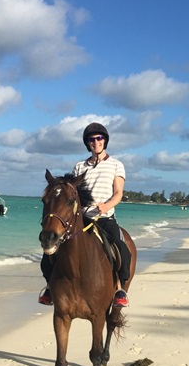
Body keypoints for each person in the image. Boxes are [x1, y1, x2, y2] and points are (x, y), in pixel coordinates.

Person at [39, 122, 132, 308]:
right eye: (91, 139)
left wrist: (106, 206)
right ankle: (50, 288)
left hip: (104, 218)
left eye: (99, 138)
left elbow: (118, 193)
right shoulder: (80, 166)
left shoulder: (116, 165)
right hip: (81, 219)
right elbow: (71, 192)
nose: (96, 141)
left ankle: (120, 289)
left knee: (121, 247)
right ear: (87, 143)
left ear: (105, 140)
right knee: (48, 254)